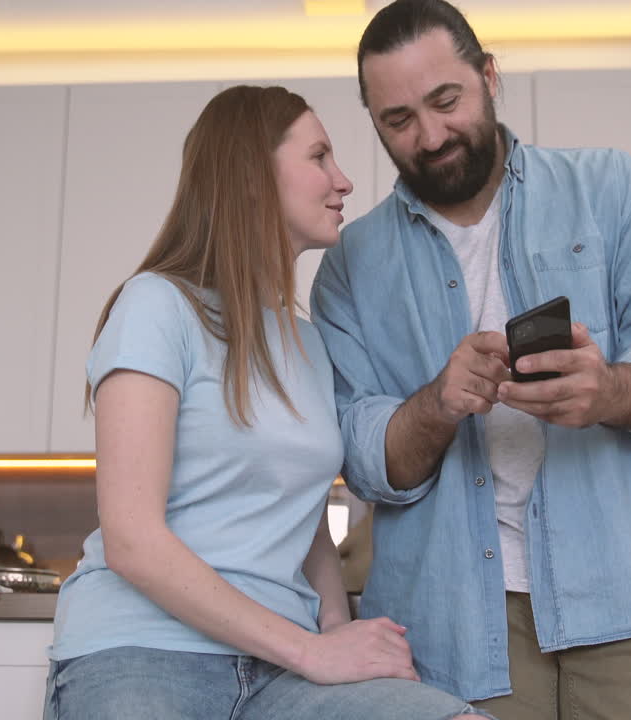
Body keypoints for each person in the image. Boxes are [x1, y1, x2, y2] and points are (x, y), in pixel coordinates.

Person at [309, 2, 631, 719]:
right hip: (449, 620)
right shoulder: (349, 265)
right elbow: (365, 462)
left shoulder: (610, 189)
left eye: (447, 101)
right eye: (399, 120)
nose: (431, 136)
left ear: (489, 76)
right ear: (373, 121)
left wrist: (611, 389)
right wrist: (437, 404)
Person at [43, 84, 493, 720]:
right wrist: (314, 654)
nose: (343, 182)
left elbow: (299, 513)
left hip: (280, 672)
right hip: (143, 651)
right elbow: (133, 540)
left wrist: (335, 630)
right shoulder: (155, 305)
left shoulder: (306, 342)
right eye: (319, 157)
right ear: (253, 174)